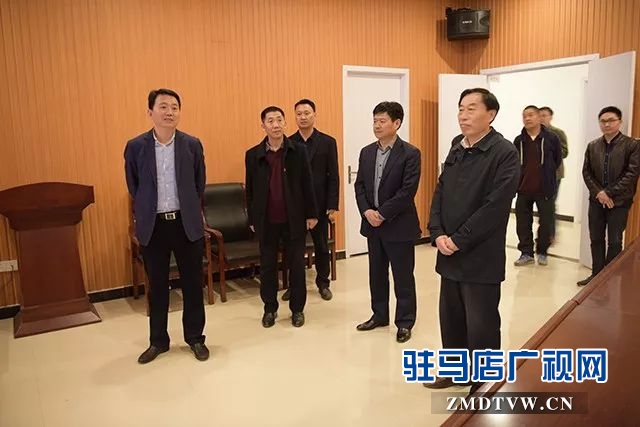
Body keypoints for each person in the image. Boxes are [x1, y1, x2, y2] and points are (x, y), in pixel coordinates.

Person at [426, 88, 520, 395]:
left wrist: (459, 239)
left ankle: (484, 383)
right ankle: (455, 372)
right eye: (460, 109)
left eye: (471, 109)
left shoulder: (504, 152)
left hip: (480, 254)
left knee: (481, 324)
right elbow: (440, 190)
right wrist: (437, 231)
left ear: (490, 114)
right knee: (451, 318)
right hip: (448, 250)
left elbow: (495, 206)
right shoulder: (457, 146)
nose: (463, 115)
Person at [124, 88, 209, 364]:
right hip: (154, 226)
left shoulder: (192, 144)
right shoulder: (135, 146)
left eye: (174, 107)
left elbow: (199, 184)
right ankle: (158, 341)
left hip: (186, 224)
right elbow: (134, 186)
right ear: (150, 112)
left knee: (193, 285)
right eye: (163, 106)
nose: (169, 112)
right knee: (158, 287)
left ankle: (195, 338)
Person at [245, 106, 318, 327]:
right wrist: (252, 219)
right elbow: (250, 190)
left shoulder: (298, 151)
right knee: (268, 267)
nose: (275, 125)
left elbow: (307, 184)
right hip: (266, 221)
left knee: (296, 267)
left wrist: (312, 214)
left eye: (279, 120)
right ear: (263, 125)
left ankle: (297, 310)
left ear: (285, 123)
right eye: (270, 121)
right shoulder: (253, 154)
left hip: (293, 219)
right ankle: (270, 309)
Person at [354, 101, 420, 344]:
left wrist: (381, 214)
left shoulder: (410, 153)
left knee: (403, 277)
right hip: (372, 225)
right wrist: (367, 211)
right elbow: (360, 185)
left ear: (397, 123)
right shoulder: (366, 152)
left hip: (399, 225)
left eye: (382, 121)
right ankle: (379, 315)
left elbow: (407, 191)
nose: (377, 125)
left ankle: (404, 322)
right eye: (375, 121)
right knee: (377, 274)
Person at [284, 99, 339, 302]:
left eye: (307, 113)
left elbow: (333, 175)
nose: (303, 117)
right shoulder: (288, 142)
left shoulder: (327, 142)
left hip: (320, 204)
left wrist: (332, 204)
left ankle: (323, 283)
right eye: (299, 114)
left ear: (314, 115)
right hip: (295, 205)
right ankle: (294, 286)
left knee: (321, 246)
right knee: (294, 249)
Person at [578, 106, 640, 286]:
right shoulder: (593, 146)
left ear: (620, 122)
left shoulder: (632, 145)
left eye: (611, 120)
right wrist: (599, 193)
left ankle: (608, 278)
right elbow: (586, 172)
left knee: (614, 240)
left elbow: (632, 173)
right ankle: (596, 275)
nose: (607, 124)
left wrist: (609, 193)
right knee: (596, 238)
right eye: (603, 121)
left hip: (619, 202)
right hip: (596, 200)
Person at [513, 105, 562, 266]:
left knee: (546, 222)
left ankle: (542, 251)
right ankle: (526, 253)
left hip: (545, 189)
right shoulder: (519, 140)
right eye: (524, 116)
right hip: (523, 188)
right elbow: (514, 163)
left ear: (539, 117)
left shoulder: (552, 138)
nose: (527, 118)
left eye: (531, 115)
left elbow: (557, 160)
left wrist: (547, 176)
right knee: (523, 223)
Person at [539, 106, 569, 242]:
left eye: (544, 115)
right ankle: (543, 233)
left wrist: (549, 151)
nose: (541, 118)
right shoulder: (534, 133)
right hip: (538, 175)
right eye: (539, 115)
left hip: (554, 175)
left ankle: (550, 235)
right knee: (541, 204)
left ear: (550, 117)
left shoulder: (558, 133)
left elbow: (565, 152)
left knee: (550, 204)